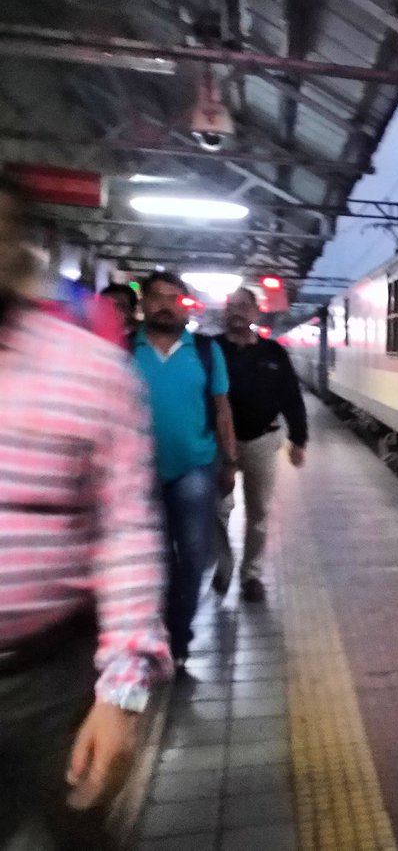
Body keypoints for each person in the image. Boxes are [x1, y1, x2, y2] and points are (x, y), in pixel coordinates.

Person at [0, 175, 171, 849]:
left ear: (18, 248)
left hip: (54, 678)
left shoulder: (92, 372)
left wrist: (121, 692)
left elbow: (124, 531)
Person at [130, 271, 237, 666]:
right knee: (153, 558)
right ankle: (152, 632)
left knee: (192, 555)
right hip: (135, 472)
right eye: (157, 297)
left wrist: (229, 462)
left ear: (184, 306)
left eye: (174, 298)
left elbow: (223, 410)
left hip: (195, 465)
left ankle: (178, 638)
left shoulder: (206, 351)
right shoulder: (126, 348)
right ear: (143, 303)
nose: (165, 305)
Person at [213, 287, 308, 601]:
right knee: (219, 510)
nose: (237, 311)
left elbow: (291, 396)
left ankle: (251, 575)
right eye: (232, 305)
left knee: (260, 512)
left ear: (256, 313)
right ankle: (223, 564)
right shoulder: (210, 350)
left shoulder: (273, 352)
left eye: (244, 306)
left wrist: (299, 438)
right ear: (225, 312)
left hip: (262, 440)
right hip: (217, 443)